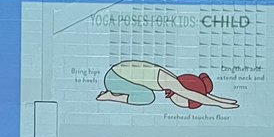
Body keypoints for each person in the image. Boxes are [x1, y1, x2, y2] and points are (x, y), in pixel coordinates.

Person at [96, 60, 239, 109]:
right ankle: (110, 96)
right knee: (147, 97)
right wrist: (219, 104)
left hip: (116, 76)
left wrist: (220, 100)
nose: (179, 104)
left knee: (146, 94)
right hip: (115, 79)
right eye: (184, 102)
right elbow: (195, 95)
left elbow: (198, 94)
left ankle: (112, 94)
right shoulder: (170, 82)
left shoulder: (170, 80)